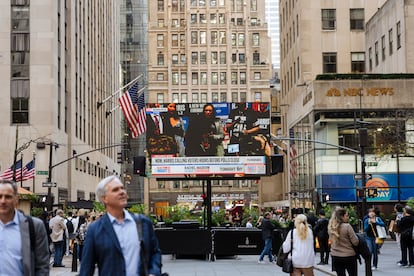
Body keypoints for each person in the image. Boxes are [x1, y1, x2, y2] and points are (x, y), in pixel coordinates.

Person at [79, 175, 162, 276]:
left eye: (122, 188)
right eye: (115, 190)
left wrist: (154, 272)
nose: (122, 192)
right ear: (104, 198)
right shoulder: (95, 229)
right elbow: (86, 268)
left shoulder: (143, 222)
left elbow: (155, 252)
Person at [0, 179, 49, 275]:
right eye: (0, 196)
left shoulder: (34, 226)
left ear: (16, 199)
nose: (3, 201)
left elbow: (42, 266)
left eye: (8, 197)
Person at [328, 207, 359, 276]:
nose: (348, 217)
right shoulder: (347, 226)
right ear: (342, 216)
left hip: (336, 256)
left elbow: (331, 241)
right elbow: (355, 242)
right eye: (346, 215)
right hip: (349, 255)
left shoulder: (331, 227)